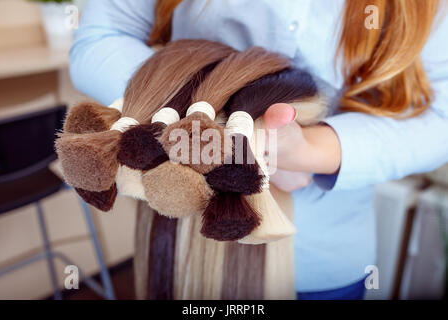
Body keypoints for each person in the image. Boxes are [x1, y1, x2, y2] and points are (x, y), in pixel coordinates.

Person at [70, 0, 448, 299]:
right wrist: (209, 113)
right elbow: (102, 33)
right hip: (186, 246)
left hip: (322, 260)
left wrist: (311, 151)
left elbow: (442, 118)